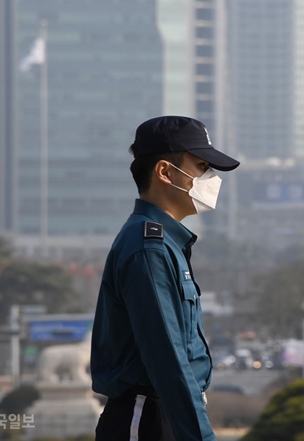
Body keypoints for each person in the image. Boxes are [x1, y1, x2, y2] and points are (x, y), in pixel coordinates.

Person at [91, 116, 239, 441]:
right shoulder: (149, 249)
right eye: (201, 166)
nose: (209, 178)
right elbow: (168, 360)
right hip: (146, 419)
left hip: (161, 414)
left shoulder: (165, 243)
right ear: (164, 172)